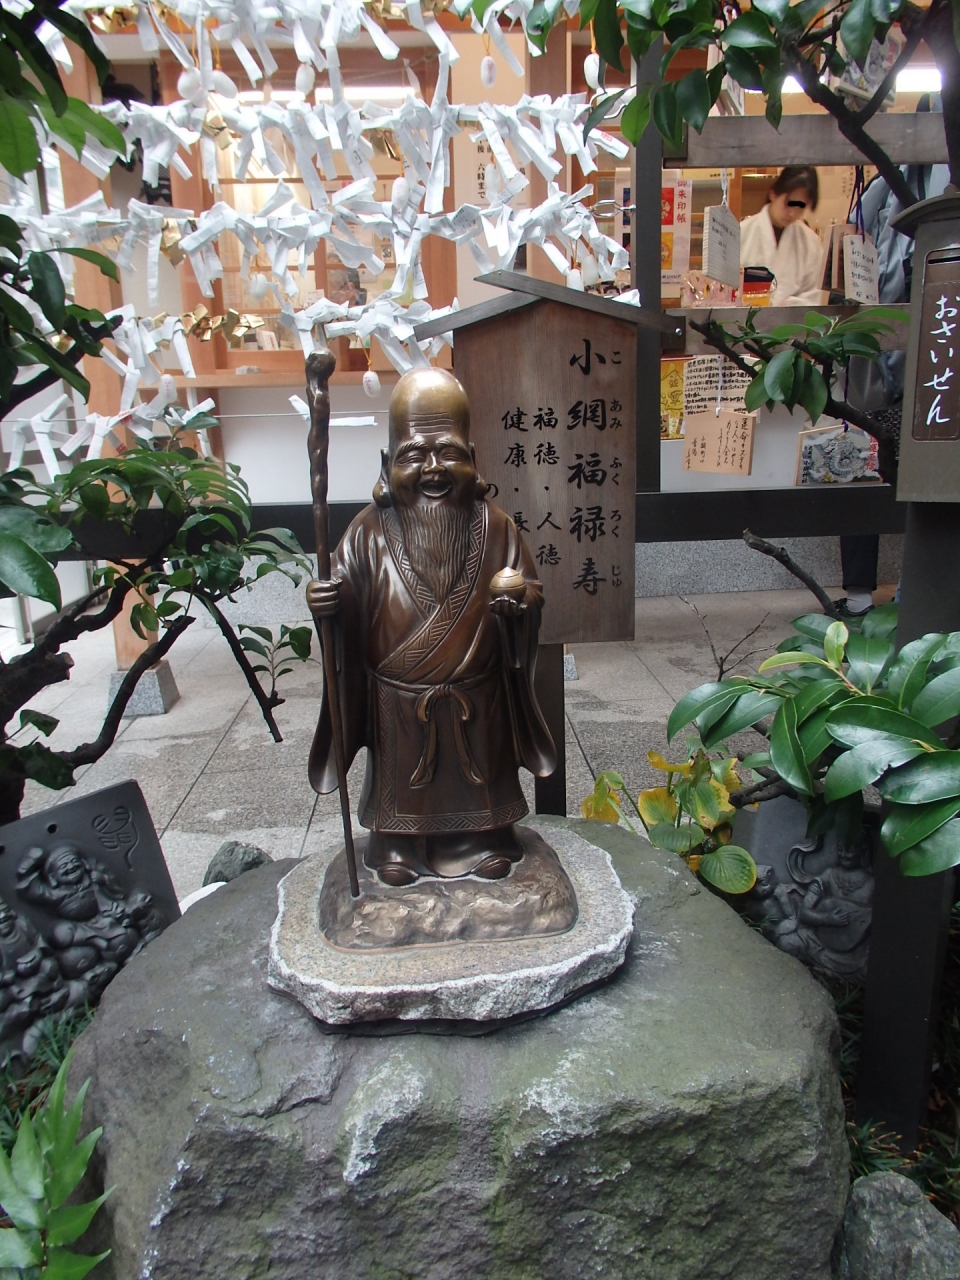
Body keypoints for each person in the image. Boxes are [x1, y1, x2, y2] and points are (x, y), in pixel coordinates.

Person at [307, 367, 557, 887]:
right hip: (397, 706)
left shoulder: (498, 528)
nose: (433, 469)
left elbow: (532, 593)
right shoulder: (366, 533)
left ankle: (485, 840)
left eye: (448, 453)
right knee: (400, 796)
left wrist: (518, 598)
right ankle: (398, 846)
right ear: (387, 464)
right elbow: (345, 597)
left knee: (481, 791)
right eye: (414, 455)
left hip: (476, 699)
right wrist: (329, 603)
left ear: (473, 458)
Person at [739, 166, 824, 306]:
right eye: (788, 204)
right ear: (773, 194)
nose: (792, 213)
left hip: (792, 319)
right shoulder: (742, 233)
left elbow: (813, 294)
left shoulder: (811, 243)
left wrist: (789, 306)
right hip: (745, 317)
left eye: (800, 206)